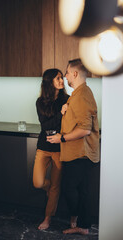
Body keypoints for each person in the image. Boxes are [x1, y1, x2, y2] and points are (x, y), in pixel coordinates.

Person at [47, 59, 100, 235]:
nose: (66, 76)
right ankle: (83, 226)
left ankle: (79, 221)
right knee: (82, 191)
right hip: (80, 153)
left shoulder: (82, 94)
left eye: (67, 73)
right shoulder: (79, 93)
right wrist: (66, 108)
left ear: (75, 74)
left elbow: (84, 129)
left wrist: (61, 138)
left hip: (80, 154)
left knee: (70, 189)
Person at [33, 68, 69, 230]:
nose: (62, 81)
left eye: (62, 77)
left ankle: (47, 218)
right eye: (58, 78)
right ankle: (50, 189)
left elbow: (67, 126)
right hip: (44, 147)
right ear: (49, 82)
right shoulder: (40, 102)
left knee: (55, 186)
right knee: (38, 182)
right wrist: (61, 114)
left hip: (61, 148)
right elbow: (45, 126)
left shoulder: (68, 99)